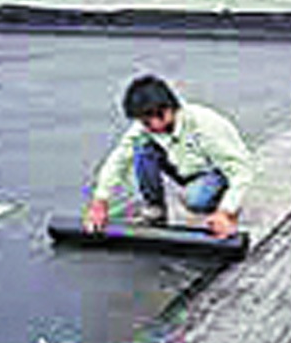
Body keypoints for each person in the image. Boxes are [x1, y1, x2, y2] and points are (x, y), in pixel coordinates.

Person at [85, 75, 254, 238]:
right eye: (143, 122)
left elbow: (241, 171)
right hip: (184, 169)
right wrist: (100, 200)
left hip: (216, 173)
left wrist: (226, 211)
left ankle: (220, 202)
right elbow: (119, 159)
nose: (147, 126)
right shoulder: (145, 128)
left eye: (148, 121)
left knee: (195, 199)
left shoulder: (204, 125)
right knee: (141, 148)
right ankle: (156, 209)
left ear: (167, 110)